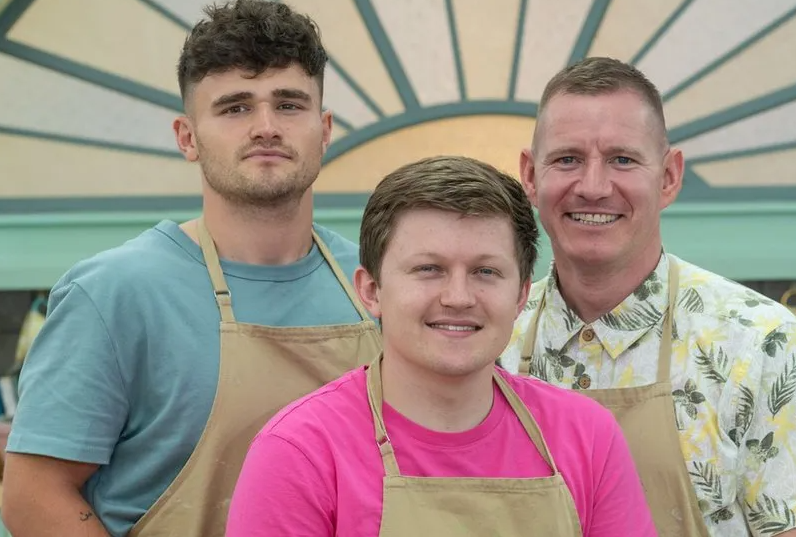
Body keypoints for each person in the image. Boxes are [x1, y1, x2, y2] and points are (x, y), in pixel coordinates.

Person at [1, 1, 381, 536]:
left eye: (289, 104)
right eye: (235, 108)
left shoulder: (377, 283)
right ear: (186, 137)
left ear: (324, 129)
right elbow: (32, 493)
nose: (266, 127)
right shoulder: (114, 293)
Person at [499, 57, 796, 537]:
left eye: (622, 159)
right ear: (530, 175)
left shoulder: (767, 349)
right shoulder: (491, 342)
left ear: (668, 176)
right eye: (567, 159)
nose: (592, 186)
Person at [224, 156, 658, 537]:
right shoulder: (300, 453)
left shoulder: (586, 438)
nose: (458, 297)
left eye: (486, 272)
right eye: (429, 268)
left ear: (521, 294)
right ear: (372, 290)